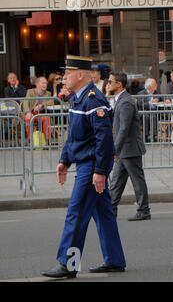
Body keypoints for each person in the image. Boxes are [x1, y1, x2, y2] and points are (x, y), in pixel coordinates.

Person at [41, 55, 126, 278]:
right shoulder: (78, 98)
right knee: (104, 213)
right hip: (87, 165)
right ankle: (115, 259)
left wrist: (100, 171)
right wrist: (64, 160)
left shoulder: (93, 100)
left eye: (67, 73)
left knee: (76, 215)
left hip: (91, 168)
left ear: (80, 75)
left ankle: (68, 265)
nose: (63, 77)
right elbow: (74, 137)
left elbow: (104, 139)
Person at [108, 72, 151, 221]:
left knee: (137, 181)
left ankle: (144, 210)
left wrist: (115, 149)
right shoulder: (120, 100)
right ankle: (111, 210)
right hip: (124, 150)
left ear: (119, 84)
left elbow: (124, 128)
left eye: (110, 81)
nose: (108, 84)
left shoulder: (126, 102)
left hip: (130, 148)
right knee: (116, 182)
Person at [23, 76, 53, 142]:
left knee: (47, 118)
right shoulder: (30, 91)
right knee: (28, 118)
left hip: (41, 114)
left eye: (46, 83)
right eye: (43, 83)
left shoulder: (48, 93)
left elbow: (51, 101)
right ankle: (30, 139)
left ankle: (47, 140)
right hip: (32, 113)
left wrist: (42, 105)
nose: (45, 85)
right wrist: (28, 112)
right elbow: (25, 102)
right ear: (37, 84)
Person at [136, 78, 160, 142]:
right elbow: (141, 104)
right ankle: (145, 135)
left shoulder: (156, 93)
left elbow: (161, 99)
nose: (157, 85)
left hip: (154, 111)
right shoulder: (141, 93)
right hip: (144, 111)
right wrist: (151, 102)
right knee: (146, 117)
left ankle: (154, 135)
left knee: (153, 116)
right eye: (155, 84)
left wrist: (165, 100)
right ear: (150, 86)